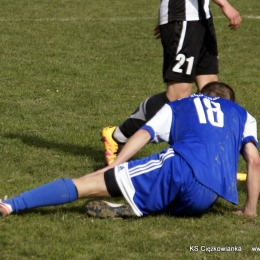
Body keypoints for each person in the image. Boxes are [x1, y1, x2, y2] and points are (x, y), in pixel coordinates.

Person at [1, 82, 259, 219]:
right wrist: (249, 210)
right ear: (230, 102)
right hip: (207, 198)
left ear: (202, 94)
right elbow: (254, 162)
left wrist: (115, 165)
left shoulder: (182, 103)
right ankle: (138, 208)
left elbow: (143, 134)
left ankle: (12, 205)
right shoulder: (243, 116)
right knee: (178, 200)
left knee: (86, 184)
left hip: (179, 167)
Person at [102, 0, 242, 165]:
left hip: (200, 19)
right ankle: (118, 135)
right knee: (177, 95)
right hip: (183, 17)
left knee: (211, 93)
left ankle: (209, 161)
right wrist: (224, 4)